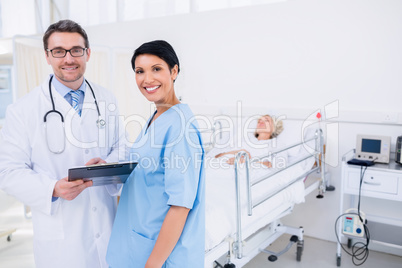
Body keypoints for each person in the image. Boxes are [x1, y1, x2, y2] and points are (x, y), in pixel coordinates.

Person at [0, 20, 125, 268]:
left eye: (76, 50)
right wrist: (52, 189)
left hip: (108, 229)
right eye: (59, 51)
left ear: (88, 53)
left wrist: (108, 165)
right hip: (61, 242)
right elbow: (8, 172)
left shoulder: (106, 98)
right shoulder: (23, 110)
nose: (68, 58)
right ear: (47, 56)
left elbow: (123, 145)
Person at [106, 40, 205, 268]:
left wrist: (152, 265)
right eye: (140, 71)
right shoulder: (157, 117)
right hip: (137, 240)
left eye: (156, 69)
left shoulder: (180, 127)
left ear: (174, 71)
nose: (147, 79)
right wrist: (107, 168)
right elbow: (146, 171)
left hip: (158, 257)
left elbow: (180, 206)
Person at [215, 114, 285, 167]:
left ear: (274, 128)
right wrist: (238, 151)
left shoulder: (274, 143)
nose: (260, 122)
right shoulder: (247, 141)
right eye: (259, 121)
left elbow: (275, 166)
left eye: (266, 120)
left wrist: (247, 161)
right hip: (221, 166)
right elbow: (217, 156)